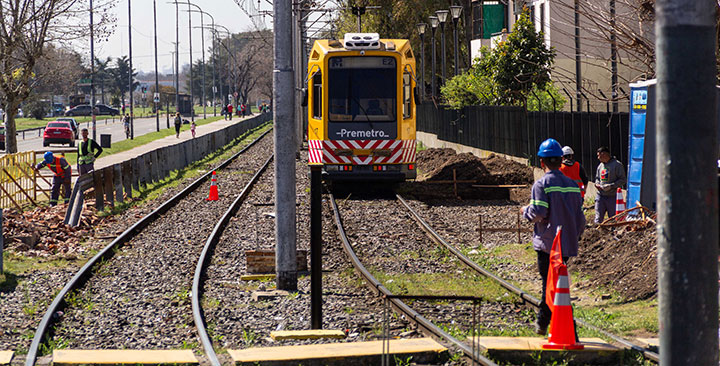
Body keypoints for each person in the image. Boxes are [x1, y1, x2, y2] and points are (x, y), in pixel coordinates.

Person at [522, 138, 585, 336]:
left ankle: (548, 323)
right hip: (565, 245)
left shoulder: (541, 185)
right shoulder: (573, 186)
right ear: (560, 160)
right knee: (557, 284)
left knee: (549, 284)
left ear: (542, 162)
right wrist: (573, 235)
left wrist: (525, 211)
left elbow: (539, 212)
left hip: (547, 244)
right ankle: (551, 324)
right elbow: (580, 220)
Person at [594, 146, 627, 223]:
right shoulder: (600, 166)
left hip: (612, 196)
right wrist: (597, 184)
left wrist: (611, 186)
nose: (598, 158)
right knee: (598, 217)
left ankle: (612, 233)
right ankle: (597, 232)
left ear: (605, 154)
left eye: (599, 156)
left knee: (612, 218)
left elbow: (623, 179)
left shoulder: (617, 165)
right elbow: (597, 178)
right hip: (600, 196)